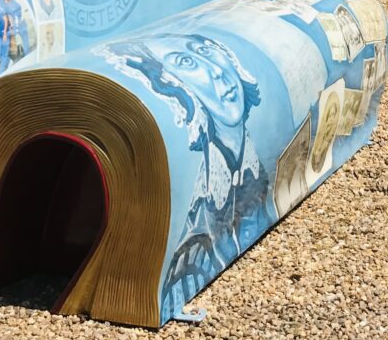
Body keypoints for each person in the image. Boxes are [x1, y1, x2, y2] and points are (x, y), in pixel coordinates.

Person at [106, 30, 270, 320]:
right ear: (173, 84)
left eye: (205, 51)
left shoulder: (254, 170)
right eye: (185, 62)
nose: (216, 72)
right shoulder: (194, 240)